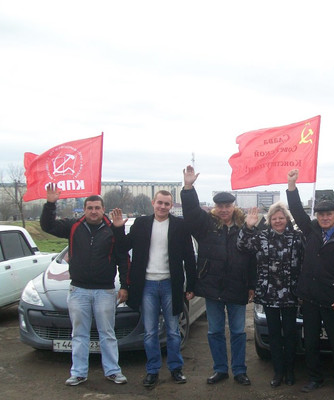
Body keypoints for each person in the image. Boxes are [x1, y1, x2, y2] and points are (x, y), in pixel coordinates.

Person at [40, 184, 129, 386]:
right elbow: (47, 226)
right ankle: (78, 372)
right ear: (84, 209)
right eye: (90, 208)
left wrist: (124, 286)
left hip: (105, 291)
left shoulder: (112, 229)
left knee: (107, 333)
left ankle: (113, 371)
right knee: (79, 334)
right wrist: (50, 204)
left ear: (103, 209)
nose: (94, 211)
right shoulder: (73, 226)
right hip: (78, 290)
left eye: (97, 207)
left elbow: (123, 257)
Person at [111, 190, 197, 388]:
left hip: (170, 284)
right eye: (160, 203)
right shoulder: (141, 224)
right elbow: (123, 247)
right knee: (149, 332)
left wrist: (191, 285)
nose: (163, 207)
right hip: (147, 285)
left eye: (167, 204)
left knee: (173, 331)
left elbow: (190, 258)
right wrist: (117, 229)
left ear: (171, 205)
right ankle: (152, 371)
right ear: (153, 203)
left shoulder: (180, 226)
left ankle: (176, 368)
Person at [286, 169, 334, 395]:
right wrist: (292, 186)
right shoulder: (311, 230)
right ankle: (315, 378)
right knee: (310, 343)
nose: (324, 218)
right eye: (321, 215)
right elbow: (297, 211)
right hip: (309, 298)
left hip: (333, 300)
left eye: (328, 214)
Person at [181, 165, 256, 386]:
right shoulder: (206, 226)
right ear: (215, 207)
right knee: (214, 331)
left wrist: (251, 285)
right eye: (220, 206)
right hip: (212, 287)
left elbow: (253, 258)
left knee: (238, 332)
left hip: (238, 287)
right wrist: (188, 187)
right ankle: (220, 369)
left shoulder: (245, 226)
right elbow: (192, 212)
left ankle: (240, 370)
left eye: (228, 205)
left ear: (234, 206)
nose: (224, 209)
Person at [237, 203, 304, 387]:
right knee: (274, 335)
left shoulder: (297, 238)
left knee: (290, 334)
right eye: (274, 218)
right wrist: (248, 226)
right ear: (269, 221)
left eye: (281, 218)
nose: (278, 221)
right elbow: (242, 245)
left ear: (287, 219)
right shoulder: (262, 237)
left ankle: (290, 371)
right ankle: (278, 372)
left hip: (291, 294)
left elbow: (306, 261)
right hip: (269, 293)